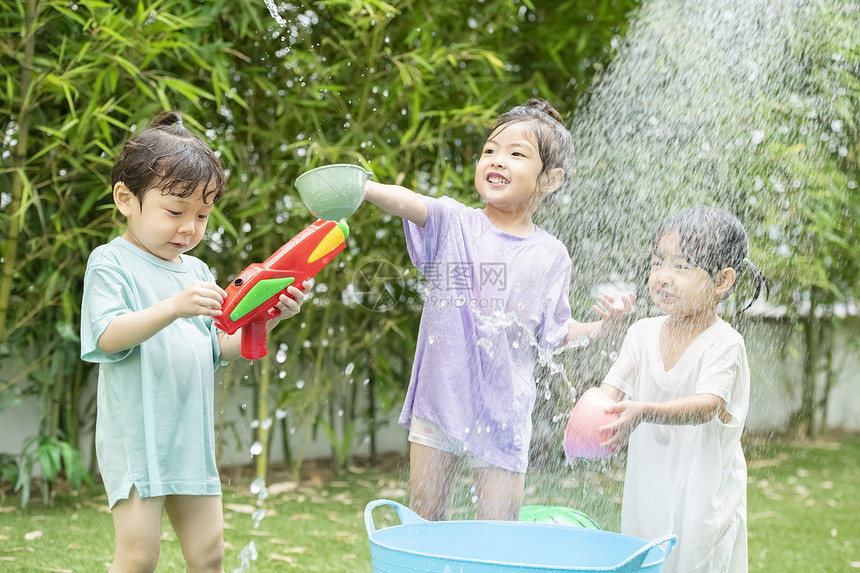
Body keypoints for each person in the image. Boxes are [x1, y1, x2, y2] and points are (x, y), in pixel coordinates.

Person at [363, 98, 635, 521]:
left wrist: (603, 327)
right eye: (490, 150)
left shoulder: (551, 255)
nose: (497, 160)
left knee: (498, 531)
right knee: (426, 519)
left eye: (516, 153)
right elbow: (408, 201)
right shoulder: (456, 223)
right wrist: (362, 188)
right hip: (442, 397)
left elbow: (557, 333)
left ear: (551, 180)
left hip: (505, 409)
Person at [80, 110, 309, 573]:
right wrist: (174, 307)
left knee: (208, 554)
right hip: (137, 439)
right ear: (126, 199)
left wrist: (267, 317)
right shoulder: (111, 262)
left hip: (189, 437)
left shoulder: (198, 272)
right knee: (139, 556)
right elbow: (106, 337)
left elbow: (217, 349)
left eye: (202, 214)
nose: (189, 227)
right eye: (174, 212)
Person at [596, 206, 770, 573]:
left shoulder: (724, 343)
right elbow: (609, 391)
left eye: (681, 266)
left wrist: (642, 410)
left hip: (703, 504)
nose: (662, 277)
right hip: (648, 493)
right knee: (645, 563)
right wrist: (590, 421)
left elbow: (707, 405)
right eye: (657, 262)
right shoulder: (641, 333)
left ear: (723, 280)